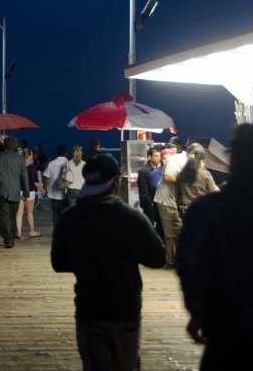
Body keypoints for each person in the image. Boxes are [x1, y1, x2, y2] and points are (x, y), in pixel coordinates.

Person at [177, 124, 253, 370]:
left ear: (234, 161)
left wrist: (196, 311)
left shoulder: (207, 210)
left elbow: (190, 263)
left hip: (225, 330)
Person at [51, 153, 166, 371]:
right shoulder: (133, 218)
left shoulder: (70, 218)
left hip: (90, 309)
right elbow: (157, 259)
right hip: (126, 309)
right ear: (115, 181)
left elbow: (59, 263)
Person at [154, 142, 203, 268]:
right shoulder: (176, 160)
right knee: (171, 231)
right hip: (167, 200)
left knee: (180, 230)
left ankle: (177, 259)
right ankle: (171, 261)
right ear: (191, 154)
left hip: (178, 201)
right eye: (197, 156)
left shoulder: (193, 163)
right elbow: (167, 177)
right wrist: (185, 183)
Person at [0, 137, 29, 248]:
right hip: (15, 191)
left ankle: (8, 239)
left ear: (4, 145)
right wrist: (26, 192)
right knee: (12, 216)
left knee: (3, 216)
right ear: (15, 146)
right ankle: (11, 237)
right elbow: (24, 177)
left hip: (0, 190)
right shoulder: (20, 159)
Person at [175, 149, 217, 218]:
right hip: (200, 208)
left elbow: (176, 194)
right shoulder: (205, 174)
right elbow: (212, 194)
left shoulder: (180, 174)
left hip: (184, 209)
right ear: (201, 161)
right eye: (204, 162)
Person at [17, 148, 41, 238]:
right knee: (29, 212)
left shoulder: (18, 165)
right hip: (30, 192)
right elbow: (35, 181)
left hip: (19, 191)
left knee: (19, 213)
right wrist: (43, 191)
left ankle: (18, 232)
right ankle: (31, 231)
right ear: (30, 155)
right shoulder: (32, 167)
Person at [43, 145, 70, 225]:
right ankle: (62, 230)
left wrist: (45, 189)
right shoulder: (68, 163)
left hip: (53, 193)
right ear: (66, 153)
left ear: (57, 153)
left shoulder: (51, 163)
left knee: (55, 213)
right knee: (63, 213)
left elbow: (47, 179)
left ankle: (56, 229)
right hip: (64, 193)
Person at [136, 147, 161, 227]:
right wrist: (150, 203)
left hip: (158, 203)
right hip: (149, 205)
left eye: (159, 156)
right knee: (149, 226)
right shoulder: (144, 171)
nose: (158, 158)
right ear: (149, 157)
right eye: (156, 156)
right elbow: (143, 190)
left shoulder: (159, 169)